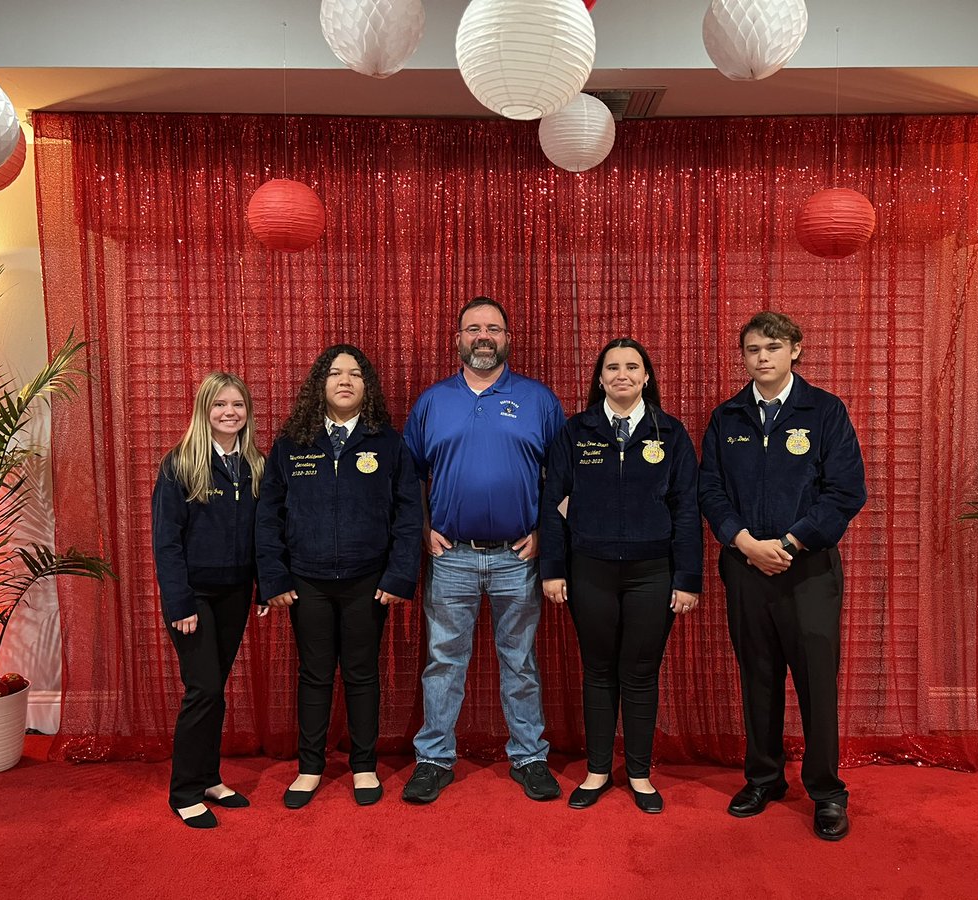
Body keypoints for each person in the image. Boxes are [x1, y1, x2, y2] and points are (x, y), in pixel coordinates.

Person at [698, 311, 866, 841]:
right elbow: (709, 490)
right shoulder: (727, 418)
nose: (761, 357)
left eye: (772, 346)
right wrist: (743, 541)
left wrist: (790, 543)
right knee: (759, 679)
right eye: (751, 349)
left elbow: (845, 492)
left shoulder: (825, 412)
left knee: (817, 684)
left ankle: (826, 791)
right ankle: (765, 778)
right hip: (746, 568)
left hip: (807, 571)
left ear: (796, 349)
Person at [401, 296, 566, 804]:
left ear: (508, 338)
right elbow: (405, 479)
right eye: (473, 328)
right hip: (450, 556)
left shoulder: (538, 399)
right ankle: (433, 758)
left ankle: (529, 757)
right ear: (457, 339)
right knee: (443, 660)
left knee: (519, 661)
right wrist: (422, 528)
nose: (483, 336)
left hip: (517, 558)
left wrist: (545, 533)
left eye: (493, 328)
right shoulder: (432, 401)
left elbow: (563, 478)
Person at [255, 344, 422, 808]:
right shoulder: (292, 443)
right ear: (319, 385)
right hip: (305, 581)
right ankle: (310, 768)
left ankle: (363, 766)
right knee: (314, 675)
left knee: (362, 673)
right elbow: (268, 515)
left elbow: (409, 515)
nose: (344, 380)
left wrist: (398, 575)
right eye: (334, 373)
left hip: (368, 581)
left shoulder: (388, 443)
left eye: (354, 374)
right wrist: (274, 577)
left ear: (366, 387)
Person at [540, 338, 702, 814]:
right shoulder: (576, 432)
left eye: (632, 367)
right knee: (598, 670)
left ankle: (638, 773)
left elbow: (687, 511)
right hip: (588, 570)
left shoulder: (670, 434)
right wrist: (552, 569)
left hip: (654, 574)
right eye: (612, 367)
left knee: (640, 673)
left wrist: (687, 578)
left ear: (647, 377)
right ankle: (595, 771)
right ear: (600, 378)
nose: (622, 374)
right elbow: (552, 504)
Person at [151, 371, 267, 829]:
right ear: (204, 410)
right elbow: (166, 542)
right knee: (204, 690)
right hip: (193, 597)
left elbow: (263, 536)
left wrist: (263, 586)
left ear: (247, 413)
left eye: (238, 405)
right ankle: (183, 791)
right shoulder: (180, 464)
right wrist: (179, 603)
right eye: (220, 405)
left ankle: (210, 777)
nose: (229, 413)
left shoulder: (255, 463)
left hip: (235, 593)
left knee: (216, 690)